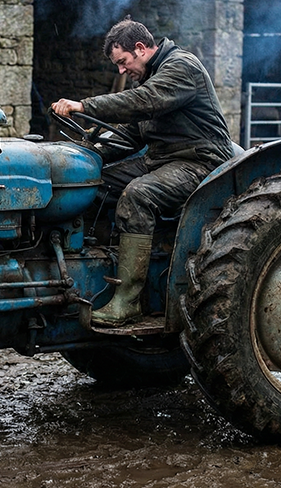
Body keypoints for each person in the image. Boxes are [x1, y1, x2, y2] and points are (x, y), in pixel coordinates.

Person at [52, 18, 234, 327]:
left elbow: (144, 102)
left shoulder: (181, 67)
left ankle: (128, 301)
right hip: (162, 160)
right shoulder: (149, 79)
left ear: (140, 48)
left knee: (138, 194)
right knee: (91, 184)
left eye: (122, 62)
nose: (121, 71)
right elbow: (129, 136)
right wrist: (85, 154)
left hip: (201, 162)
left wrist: (84, 106)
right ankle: (88, 273)